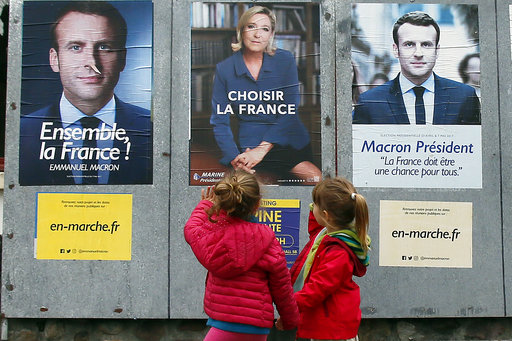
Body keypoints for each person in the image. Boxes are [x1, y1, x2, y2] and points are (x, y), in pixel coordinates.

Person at [19, 1, 152, 185]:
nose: (92, 62)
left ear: (122, 59)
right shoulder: (22, 132)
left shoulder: (152, 129)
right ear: (54, 59)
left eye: (104, 47)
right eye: (76, 47)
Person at [210, 6, 321, 185]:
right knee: (247, 192)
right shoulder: (224, 69)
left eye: (265, 29)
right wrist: (234, 158)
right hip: (249, 144)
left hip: (287, 140)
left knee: (317, 180)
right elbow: (219, 121)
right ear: (241, 31)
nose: (257, 34)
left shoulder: (285, 60)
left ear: (271, 35)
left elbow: (289, 111)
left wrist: (261, 150)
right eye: (251, 27)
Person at [184, 170, 299, 340]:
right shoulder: (267, 239)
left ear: (222, 201)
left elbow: (191, 230)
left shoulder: (214, 233)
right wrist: (290, 319)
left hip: (223, 322)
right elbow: (282, 286)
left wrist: (205, 206)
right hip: (257, 327)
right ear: (257, 204)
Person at [276, 177, 370, 340]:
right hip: (328, 324)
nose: (312, 208)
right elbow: (315, 227)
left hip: (332, 329)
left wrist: (289, 309)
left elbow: (317, 289)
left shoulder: (338, 252)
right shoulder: (328, 234)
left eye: (315, 206)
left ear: (326, 215)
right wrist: (318, 203)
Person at [353, 11, 481, 125]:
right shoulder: (370, 102)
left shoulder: (464, 97)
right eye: (409, 44)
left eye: (426, 45)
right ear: (396, 50)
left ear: (437, 50)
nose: (418, 53)